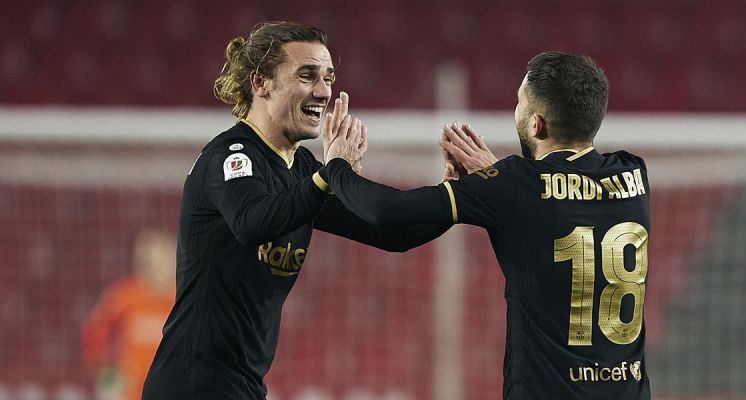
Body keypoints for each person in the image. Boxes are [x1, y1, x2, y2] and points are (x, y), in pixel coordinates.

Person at [142, 21, 450, 400]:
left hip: (242, 386)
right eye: (307, 75)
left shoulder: (301, 168)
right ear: (261, 83)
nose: (323, 91)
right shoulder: (230, 156)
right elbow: (253, 222)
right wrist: (329, 175)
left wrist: (455, 196)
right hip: (192, 384)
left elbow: (391, 231)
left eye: (328, 77)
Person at [321, 51, 652, 399]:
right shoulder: (633, 173)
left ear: (536, 123)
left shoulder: (513, 185)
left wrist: (337, 165)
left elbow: (386, 210)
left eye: (519, 102)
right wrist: (497, 180)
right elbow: (555, 201)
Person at [82, 229, 176, 400]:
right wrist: (106, 373)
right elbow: (94, 330)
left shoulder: (184, 299)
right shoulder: (125, 295)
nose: (154, 268)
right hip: (133, 394)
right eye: (147, 261)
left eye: (161, 261)